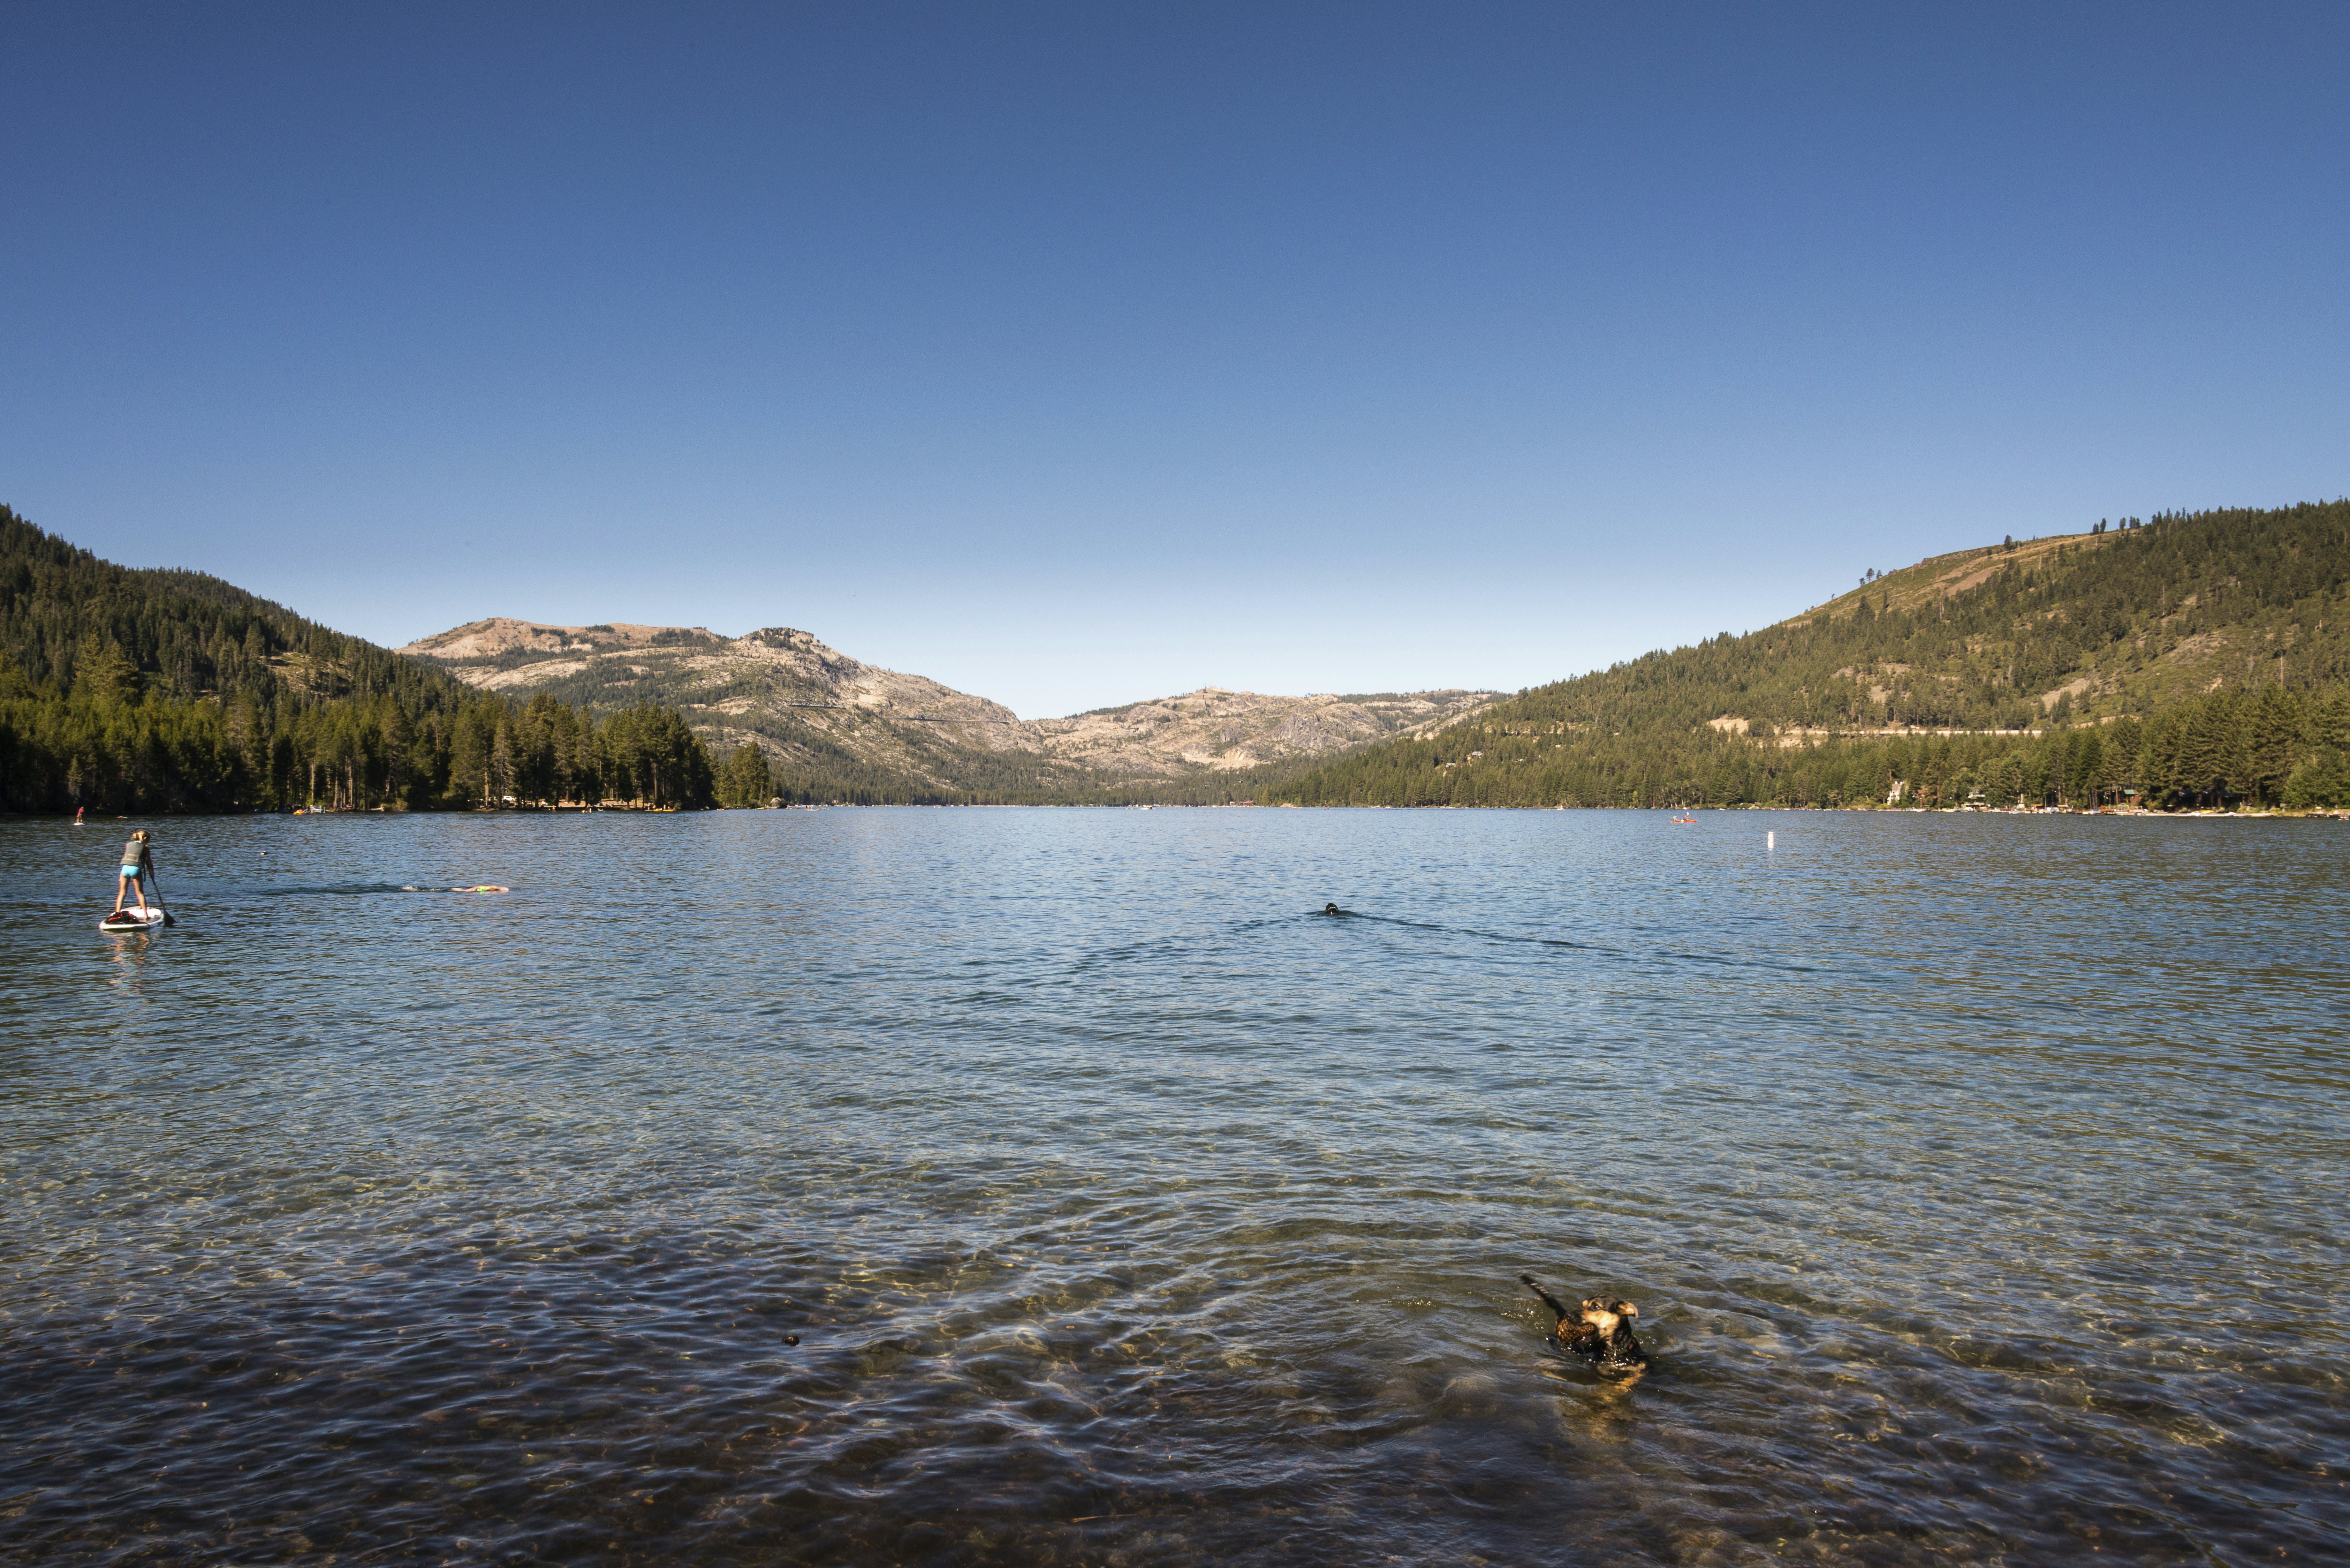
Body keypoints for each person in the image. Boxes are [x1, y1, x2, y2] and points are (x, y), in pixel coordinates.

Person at [113, 830, 156, 916]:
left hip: (125, 870)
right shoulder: (145, 848)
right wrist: (152, 873)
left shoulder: (128, 845)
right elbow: (149, 863)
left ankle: (117, 913)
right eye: (149, 840)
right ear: (145, 838)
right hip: (136, 870)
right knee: (140, 893)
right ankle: (145, 915)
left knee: (122, 893)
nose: (149, 841)